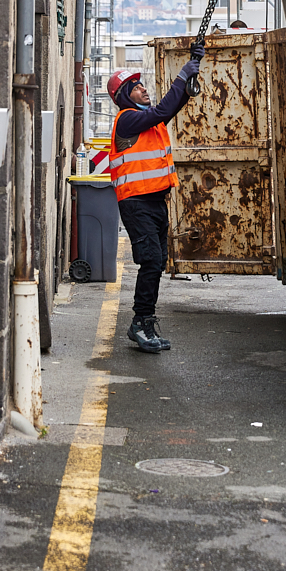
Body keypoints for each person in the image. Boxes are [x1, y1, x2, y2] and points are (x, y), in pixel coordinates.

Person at [106, 51, 204, 353]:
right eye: (136, 87)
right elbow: (163, 110)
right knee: (150, 261)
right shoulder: (128, 119)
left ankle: (144, 323)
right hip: (136, 203)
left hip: (155, 202)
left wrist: (188, 83)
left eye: (142, 85)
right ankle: (140, 323)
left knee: (157, 262)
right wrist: (182, 75)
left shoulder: (146, 122)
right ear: (125, 96)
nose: (143, 89)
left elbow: (169, 108)